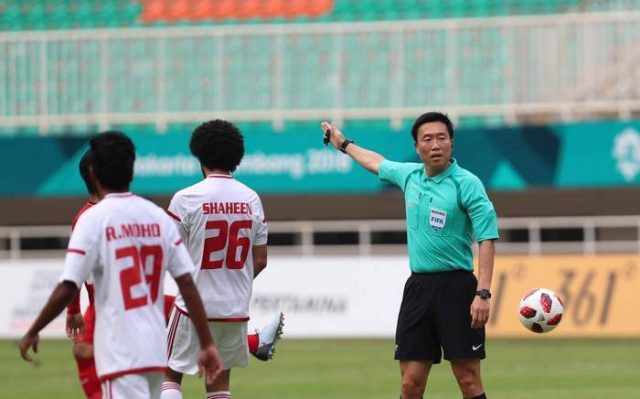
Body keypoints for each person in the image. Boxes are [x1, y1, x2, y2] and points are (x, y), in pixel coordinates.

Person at [19, 131, 224, 399]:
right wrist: (207, 342)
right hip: (154, 350)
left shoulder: (92, 220)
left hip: (119, 352)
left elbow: (68, 285)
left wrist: (33, 329)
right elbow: (187, 283)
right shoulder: (157, 217)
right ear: (132, 172)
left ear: (92, 174)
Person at [65, 152, 285, 398]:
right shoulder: (251, 198)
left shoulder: (104, 215)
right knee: (206, 376)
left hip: (124, 310)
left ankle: (255, 343)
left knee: (167, 372)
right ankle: (254, 343)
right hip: (125, 311)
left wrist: (73, 310)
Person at [320, 112, 498, 399]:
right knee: (410, 383)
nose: (435, 145)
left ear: (452, 143)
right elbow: (375, 162)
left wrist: (483, 293)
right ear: (417, 147)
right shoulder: (410, 176)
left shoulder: (468, 183)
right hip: (418, 289)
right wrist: (343, 144)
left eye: (442, 138)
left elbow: (487, 239)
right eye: (427, 139)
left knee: (468, 380)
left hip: (458, 288)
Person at [162, 120, 280, 399]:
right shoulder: (251, 199)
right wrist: (230, 280)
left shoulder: (185, 198)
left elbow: (166, 253)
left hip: (193, 306)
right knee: (218, 385)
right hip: (234, 308)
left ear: (199, 155)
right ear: (236, 157)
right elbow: (261, 259)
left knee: (169, 375)